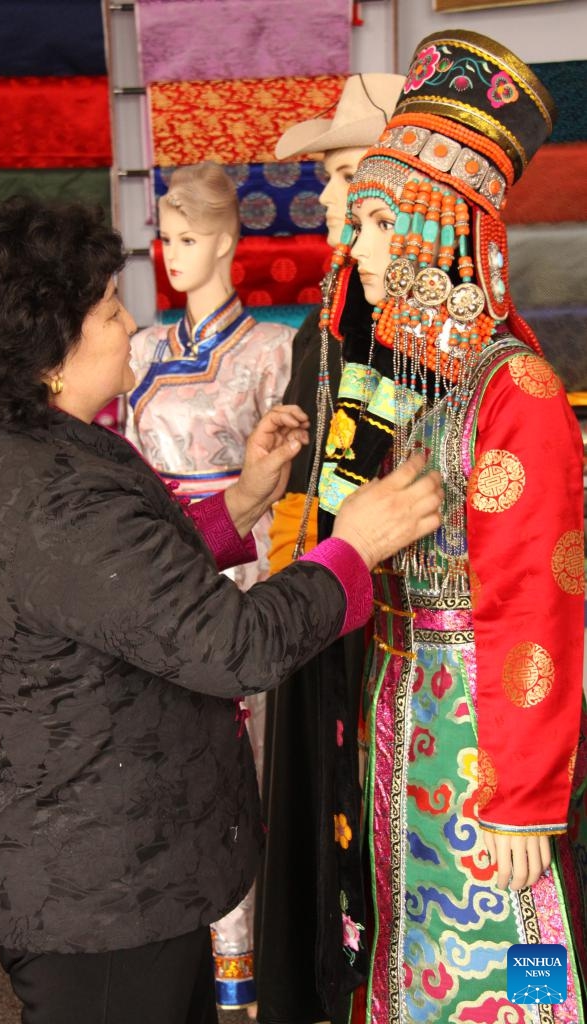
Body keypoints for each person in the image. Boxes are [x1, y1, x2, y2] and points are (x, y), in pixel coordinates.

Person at [0, 194, 442, 1024]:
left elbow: (116, 590)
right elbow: (233, 645)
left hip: (101, 871)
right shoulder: (54, 492)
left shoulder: (19, 441)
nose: (131, 324)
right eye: (110, 308)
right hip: (100, 895)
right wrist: (355, 549)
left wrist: (238, 503)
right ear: (50, 349)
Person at [310, 29, 586, 1022]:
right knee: (407, 931)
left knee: (512, 940)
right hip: (402, 698)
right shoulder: (404, 375)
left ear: (435, 233)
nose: (360, 249)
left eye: (384, 227)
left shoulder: (515, 391)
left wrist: (523, 789)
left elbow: (539, 604)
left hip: (482, 729)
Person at [125, 160, 295, 1014]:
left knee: (243, 767)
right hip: (159, 566)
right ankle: (177, 959)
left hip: (239, 567)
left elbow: (283, 484)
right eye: (166, 237)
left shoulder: (271, 350)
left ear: (226, 240)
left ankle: (245, 970)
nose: (171, 253)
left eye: (187, 237)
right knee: (163, 759)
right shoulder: (141, 349)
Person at [255, 72, 405, 1024]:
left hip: (403, 628)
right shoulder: (326, 319)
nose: (335, 198)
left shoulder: (437, 329)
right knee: (318, 817)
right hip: (323, 604)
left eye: (355, 172)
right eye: (331, 177)